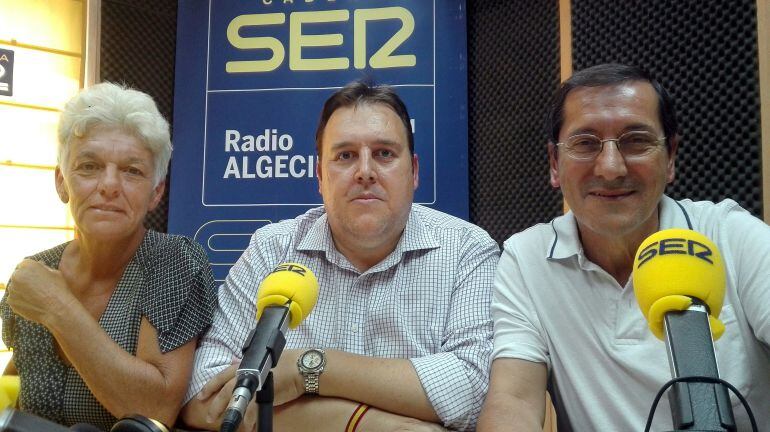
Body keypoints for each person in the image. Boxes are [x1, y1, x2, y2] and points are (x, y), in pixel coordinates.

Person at [181, 81, 499, 431]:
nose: (365, 171)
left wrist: (309, 369)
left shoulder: (466, 249)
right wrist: (367, 425)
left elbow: (472, 389)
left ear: (415, 172)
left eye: (384, 154)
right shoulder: (271, 249)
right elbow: (204, 393)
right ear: (319, 175)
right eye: (345, 155)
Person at [477, 63, 770, 431]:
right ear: (555, 163)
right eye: (585, 144)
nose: (611, 168)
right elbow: (514, 399)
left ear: (671, 157)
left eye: (636, 141)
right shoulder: (526, 258)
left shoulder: (731, 234)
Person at [0, 82, 216, 430]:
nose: (109, 185)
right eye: (89, 166)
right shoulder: (36, 271)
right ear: (61, 182)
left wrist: (57, 307)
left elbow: (154, 411)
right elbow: (17, 388)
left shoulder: (173, 261)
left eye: (132, 171)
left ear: (155, 192)